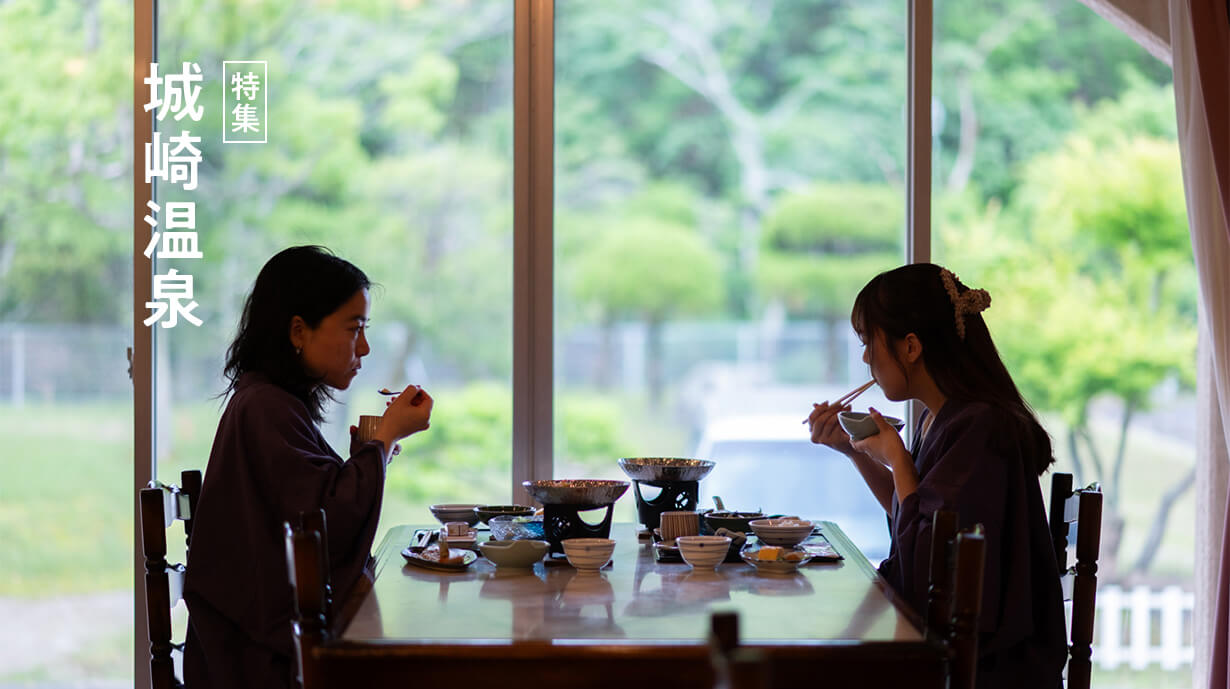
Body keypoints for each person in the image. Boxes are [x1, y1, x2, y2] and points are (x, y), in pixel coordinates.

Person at [805, 263, 1066, 688]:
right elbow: (917, 517)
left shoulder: (979, 425)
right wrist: (855, 453)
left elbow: (930, 569)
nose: (867, 357)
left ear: (911, 347)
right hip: (960, 650)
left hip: (990, 669)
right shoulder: (942, 418)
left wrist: (897, 456)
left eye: (870, 341)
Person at [183, 245, 433, 689]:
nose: (366, 346)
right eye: (354, 328)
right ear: (298, 331)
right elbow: (324, 523)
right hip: (256, 660)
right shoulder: (264, 407)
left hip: (251, 643)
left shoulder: (268, 400)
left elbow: (314, 498)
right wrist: (384, 439)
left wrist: (372, 451)